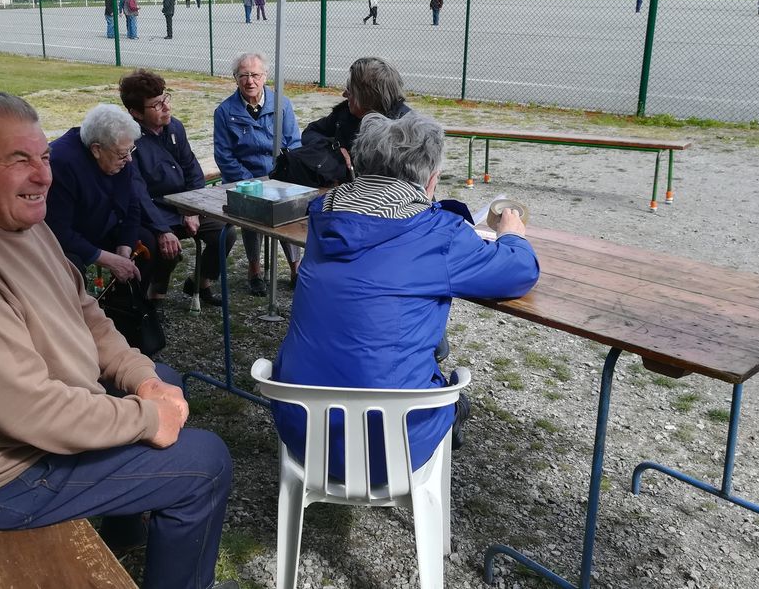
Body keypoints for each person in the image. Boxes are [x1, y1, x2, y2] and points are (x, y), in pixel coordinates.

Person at [0, 91, 235, 589]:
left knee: (163, 378)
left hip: (40, 430)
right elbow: (33, 412)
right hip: (8, 477)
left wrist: (142, 381)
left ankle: (124, 530)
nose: (43, 176)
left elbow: (87, 313)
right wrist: (145, 418)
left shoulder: (19, 223)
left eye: (45, 157)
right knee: (206, 463)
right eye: (18, 160)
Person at [271, 111, 540, 484]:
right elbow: (519, 273)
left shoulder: (325, 215)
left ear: (360, 163)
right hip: (389, 447)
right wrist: (513, 235)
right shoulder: (438, 233)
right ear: (431, 180)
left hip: (303, 432)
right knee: (449, 390)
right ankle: (452, 414)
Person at [45, 104, 183, 303]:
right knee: (70, 265)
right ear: (96, 150)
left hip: (104, 223)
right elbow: (58, 230)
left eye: (131, 151)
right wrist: (107, 259)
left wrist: (124, 247)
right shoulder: (62, 162)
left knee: (147, 243)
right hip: (70, 237)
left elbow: (132, 205)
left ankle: (125, 308)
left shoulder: (120, 153)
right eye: (122, 154)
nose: (128, 159)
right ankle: (80, 319)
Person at [120, 69, 237, 306]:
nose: (166, 107)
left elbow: (192, 169)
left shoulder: (175, 128)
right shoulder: (129, 140)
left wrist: (192, 209)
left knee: (225, 232)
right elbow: (138, 193)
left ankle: (199, 282)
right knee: (162, 245)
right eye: (156, 105)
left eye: (166, 98)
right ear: (136, 113)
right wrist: (163, 229)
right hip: (153, 211)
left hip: (184, 205)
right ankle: (155, 295)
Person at [213, 52, 302, 295]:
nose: (249, 81)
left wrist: (285, 174)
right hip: (246, 180)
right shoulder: (224, 112)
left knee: (288, 210)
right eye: (244, 75)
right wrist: (251, 183)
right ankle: (254, 269)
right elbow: (224, 156)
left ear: (265, 77)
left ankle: (296, 267)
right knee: (251, 212)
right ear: (235, 78)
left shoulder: (282, 104)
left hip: (280, 176)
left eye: (255, 75)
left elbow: (294, 143)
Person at [302, 56, 412, 174]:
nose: (344, 94)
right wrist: (332, 148)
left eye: (350, 90)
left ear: (367, 96)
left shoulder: (406, 131)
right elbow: (311, 132)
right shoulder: (345, 113)